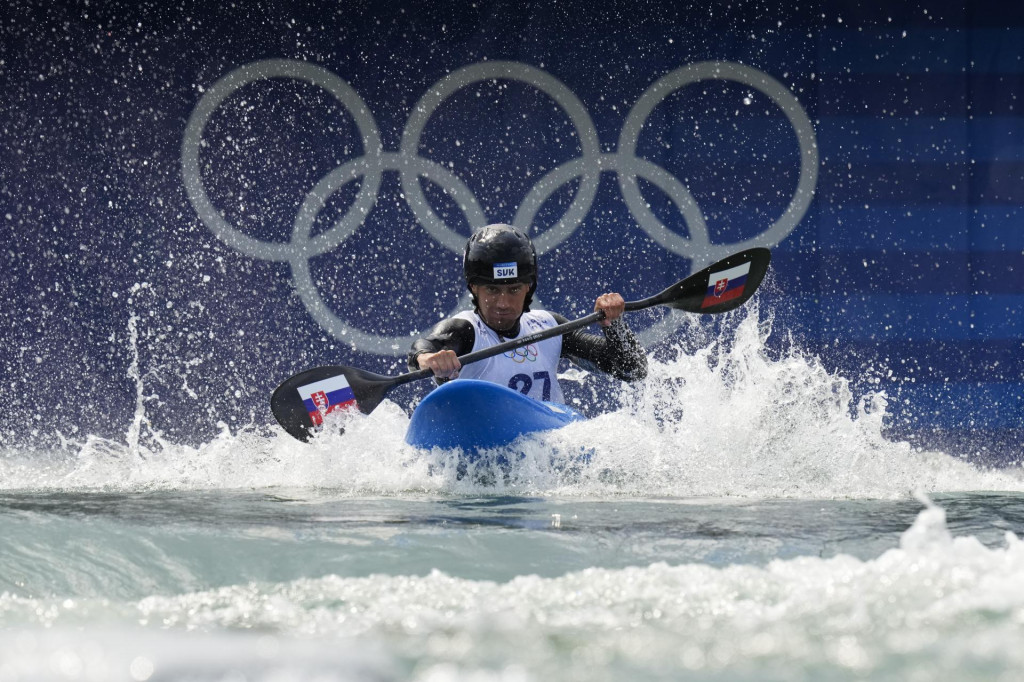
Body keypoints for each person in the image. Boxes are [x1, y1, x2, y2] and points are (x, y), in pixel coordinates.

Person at [409, 224, 647, 404]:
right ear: (474, 288)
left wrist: (615, 326)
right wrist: (428, 359)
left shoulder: (549, 327)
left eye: (513, 290)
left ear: (528, 288)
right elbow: (425, 346)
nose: (503, 303)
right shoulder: (465, 330)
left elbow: (632, 370)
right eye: (492, 289)